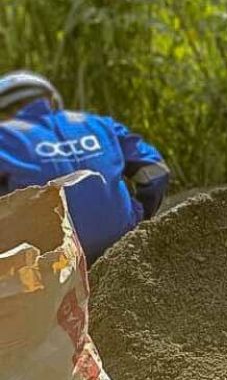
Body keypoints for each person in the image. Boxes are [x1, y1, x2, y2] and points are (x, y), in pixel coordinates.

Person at [0, 71, 170, 262]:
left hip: (52, 264)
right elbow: (156, 173)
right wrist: (138, 217)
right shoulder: (100, 124)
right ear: (51, 100)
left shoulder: (4, 136)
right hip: (122, 243)